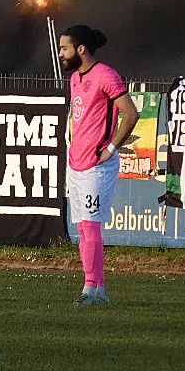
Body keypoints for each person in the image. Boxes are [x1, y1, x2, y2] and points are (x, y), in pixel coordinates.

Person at [57, 24, 139, 307]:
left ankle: (89, 288)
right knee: (81, 227)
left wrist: (111, 148)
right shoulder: (75, 79)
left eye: (64, 48)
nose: (60, 54)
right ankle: (99, 288)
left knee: (91, 226)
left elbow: (131, 113)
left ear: (81, 49)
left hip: (96, 164)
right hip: (76, 162)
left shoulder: (106, 75)